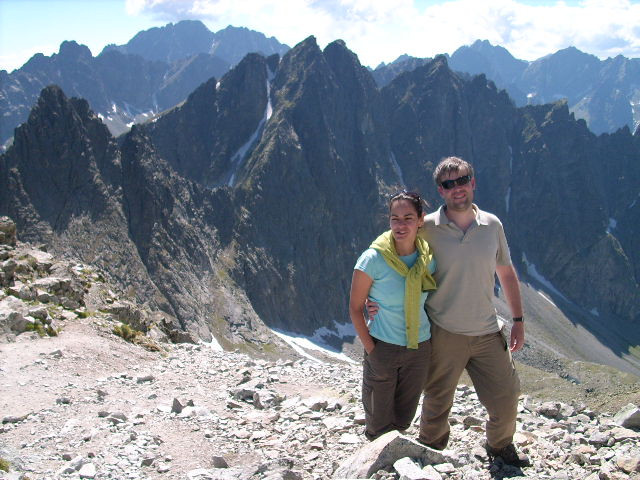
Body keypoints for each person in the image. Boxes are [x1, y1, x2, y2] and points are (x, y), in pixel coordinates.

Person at [368, 157, 528, 466]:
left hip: (486, 330)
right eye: (448, 184)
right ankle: (431, 449)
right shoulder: (425, 227)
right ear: (440, 191)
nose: (457, 188)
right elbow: (388, 254)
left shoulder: (492, 225)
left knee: (506, 397)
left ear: (473, 182)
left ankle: (500, 445)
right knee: (437, 401)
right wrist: (369, 297)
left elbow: (506, 273)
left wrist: (518, 320)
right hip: (443, 331)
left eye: (462, 180)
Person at [349, 190, 437, 441]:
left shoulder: (427, 259)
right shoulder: (373, 259)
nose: (401, 225)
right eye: (395, 218)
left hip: (419, 348)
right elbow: (355, 308)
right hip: (383, 347)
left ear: (421, 220)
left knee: (403, 418)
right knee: (377, 422)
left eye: (408, 218)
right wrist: (372, 351)